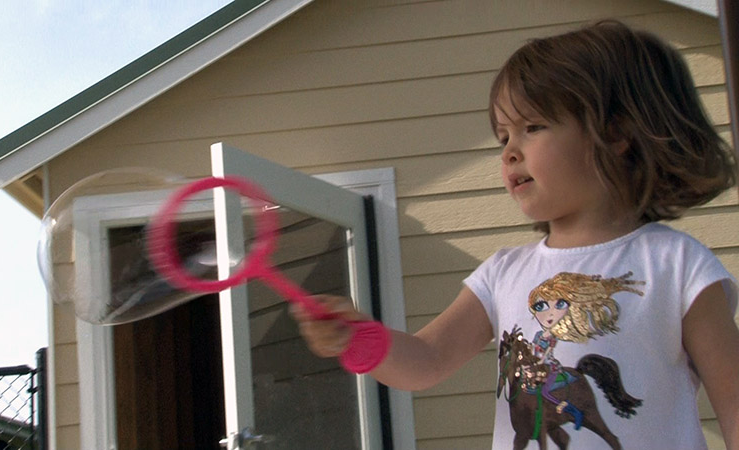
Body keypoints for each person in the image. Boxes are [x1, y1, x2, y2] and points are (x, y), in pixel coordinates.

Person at [290, 20, 739, 449]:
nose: (509, 152)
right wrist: (359, 337)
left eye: (533, 128)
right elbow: (426, 361)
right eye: (503, 135)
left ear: (615, 133)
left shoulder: (677, 265)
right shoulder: (503, 273)